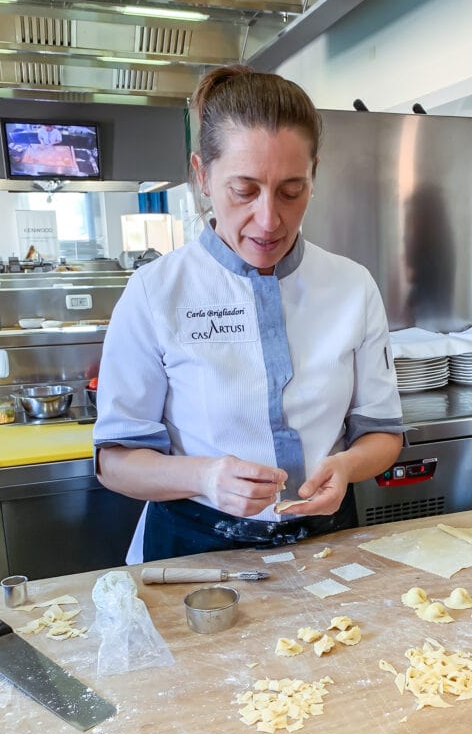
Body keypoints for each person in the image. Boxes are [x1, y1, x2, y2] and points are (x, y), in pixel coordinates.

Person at [94, 65, 403, 563]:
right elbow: (116, 461)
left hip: (325, 549)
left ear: (313, 175)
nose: (269, 219)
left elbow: (383, 434)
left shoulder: (351, 286)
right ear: (203, 176)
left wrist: (346, 466)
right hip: (192, 556)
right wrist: (205, 476)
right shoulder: (156, 292)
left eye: (291, 190)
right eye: (244, 189)